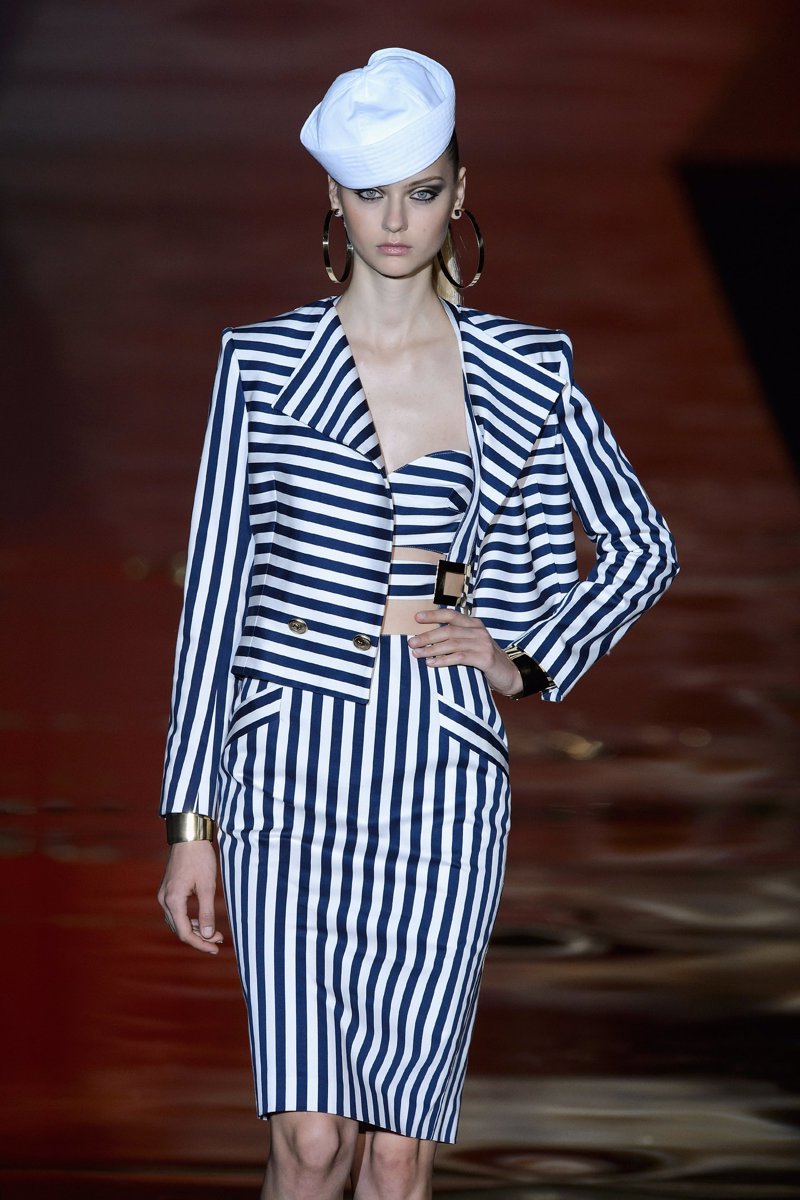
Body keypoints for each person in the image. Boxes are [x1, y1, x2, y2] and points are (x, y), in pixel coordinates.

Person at [157, 47, 678, 1200]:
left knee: (394, 1153)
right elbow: (215, 596)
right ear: (333, 198)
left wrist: (521, 657)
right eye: (370, 193)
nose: (396, 223)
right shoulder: (260, 365)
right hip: (287, 766)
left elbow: (642, 546)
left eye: (423, 191)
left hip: (440, 772)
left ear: (458, 190)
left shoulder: (524, 370)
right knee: (311, 1140)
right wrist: (190, 822)